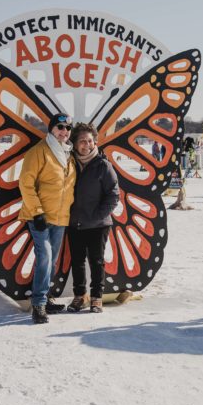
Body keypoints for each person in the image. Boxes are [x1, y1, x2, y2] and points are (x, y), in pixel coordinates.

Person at [18, 113, 77, 323]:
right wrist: (36, 211)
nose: (64, 131)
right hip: (40, 216)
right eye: (60, 127)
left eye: (68, 128)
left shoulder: (69, 154)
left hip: (61, 217)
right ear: (51, 129)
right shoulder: (39, 152)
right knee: (45, 257)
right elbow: (25, 183)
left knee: (51, 262)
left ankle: (46, 296)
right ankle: (39, 303)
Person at [65, 123, 119, 314]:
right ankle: (80, 297)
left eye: (89, 140)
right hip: (74, 222)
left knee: (96, 261)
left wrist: (97, 216)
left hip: (98, 224)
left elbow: (113, 195)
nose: (86, 144)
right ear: (75, 143)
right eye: (82, 141)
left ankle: (96, 298)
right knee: (77, 261)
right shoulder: (69, 163)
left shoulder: (103, 165)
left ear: (94, 141)